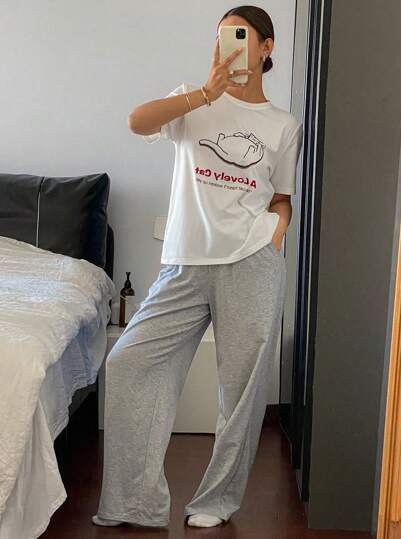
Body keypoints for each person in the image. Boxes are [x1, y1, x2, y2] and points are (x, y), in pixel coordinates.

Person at [92, 5, 303, 530]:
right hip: (185, 264)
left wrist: (276, 232)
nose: (228, 45)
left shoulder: (283, 124)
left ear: (266, 47)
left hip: (252, 262)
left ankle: (217, 500)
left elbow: (281, 196)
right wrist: (206, 93)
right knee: (129, 363)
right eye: (221, 36)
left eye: (240, 36)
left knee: (241, 392)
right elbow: (137, 121)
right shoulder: (193, 100)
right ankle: (133, 503)